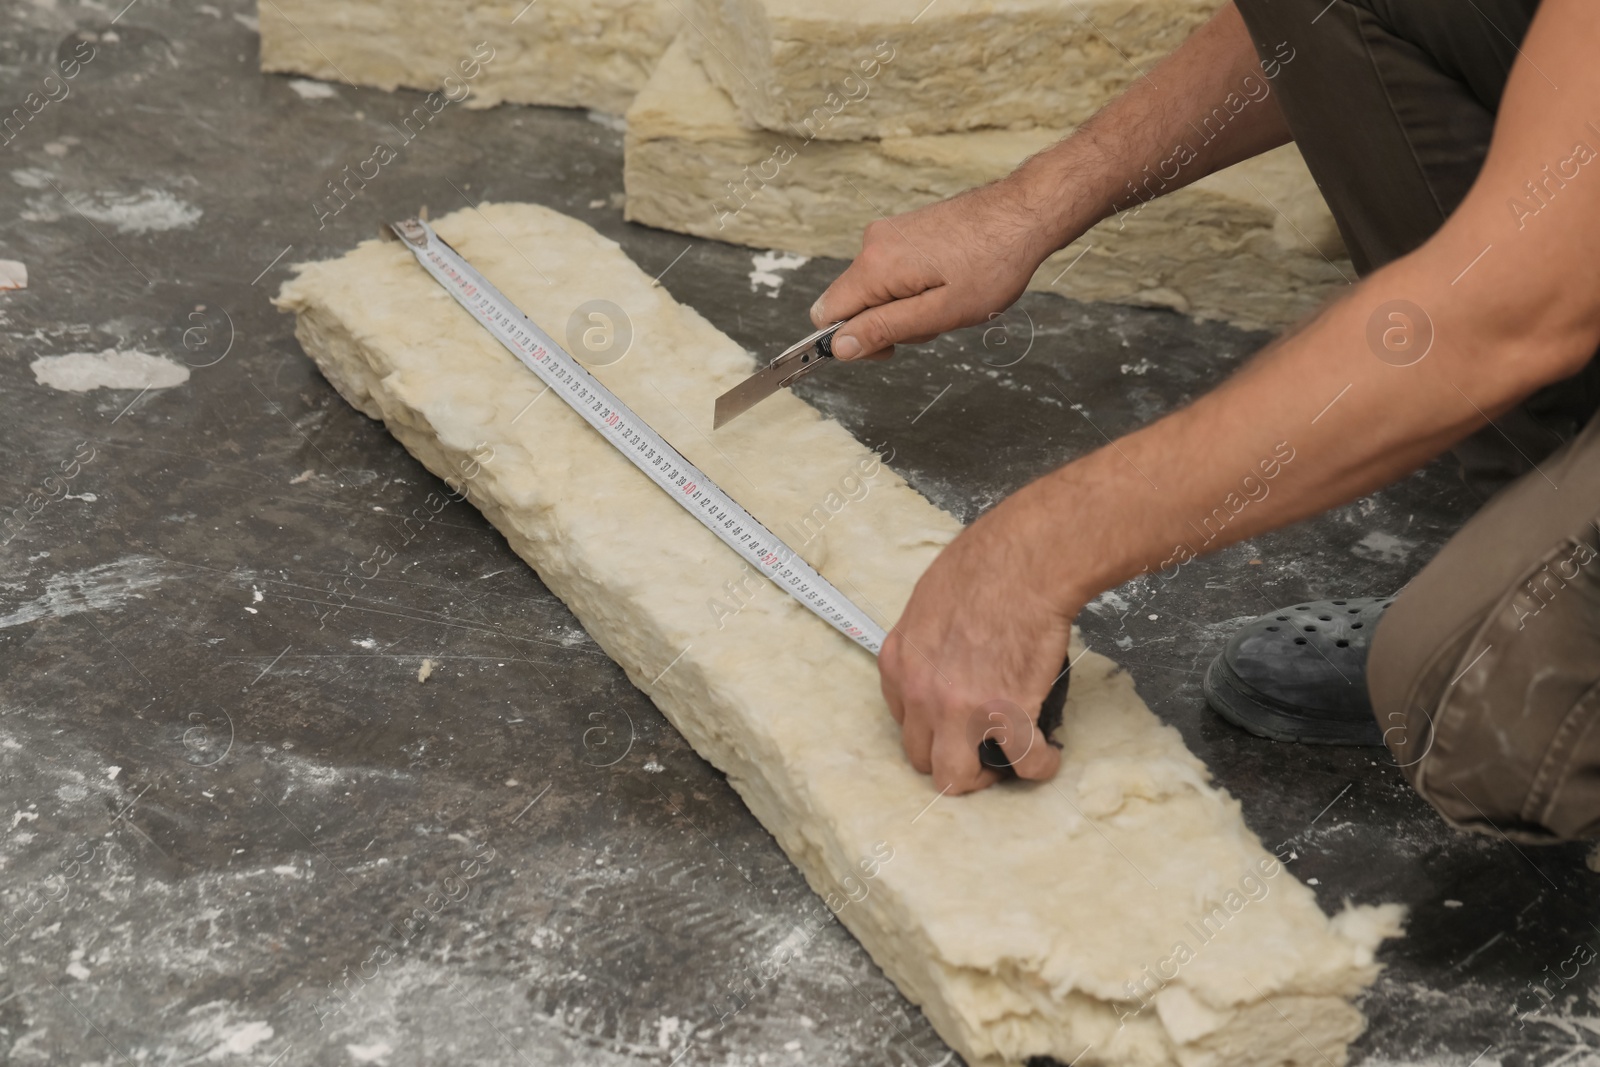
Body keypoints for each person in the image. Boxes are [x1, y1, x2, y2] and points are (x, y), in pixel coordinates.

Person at [812, 0, 1600, 842]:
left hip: (1523, 305)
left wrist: (1032, 554)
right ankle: (1547, 530)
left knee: (1478, 705)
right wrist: (1027, 206)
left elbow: (1503, 311)